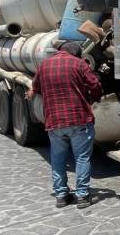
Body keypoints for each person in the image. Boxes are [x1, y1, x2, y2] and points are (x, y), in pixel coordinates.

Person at [28, 41, 102, 209]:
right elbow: (95, 85)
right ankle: (82, 195)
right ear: (76, 53)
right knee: (82, 157)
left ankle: (61, 195)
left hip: (54, 121)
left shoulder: (44, 65)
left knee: (57, 157)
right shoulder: (79, 64)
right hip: (79, 118)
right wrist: (93, 98)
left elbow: (36, 88)